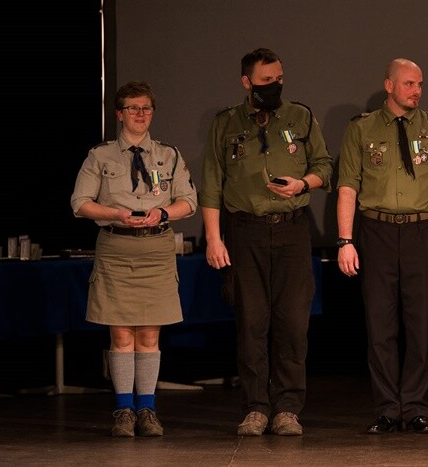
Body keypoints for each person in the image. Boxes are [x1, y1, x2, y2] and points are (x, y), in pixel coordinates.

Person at [200, 47, 333, 437]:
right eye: (265, 81)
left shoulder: (300, 115)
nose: (274, 86)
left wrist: (303, 183)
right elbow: (211, 183)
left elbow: (324, 165)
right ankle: (256, 407)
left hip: (292, 229)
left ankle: (288, 408)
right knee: (251, 322)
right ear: (247, 82)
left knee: (293, 321)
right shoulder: (225, 123)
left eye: (278, 79)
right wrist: (212, 238)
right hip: (246, 231)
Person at [335, 58, 428, 435]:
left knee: (421, 323)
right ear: (388, 85)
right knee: (380, 325)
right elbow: (348, 187)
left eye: (420, 84)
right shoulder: (361, 128)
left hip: (421, 233)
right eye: (408, 84)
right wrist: (345, 240)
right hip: (375, 231)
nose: (416, 91)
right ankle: (388, 409)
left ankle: (417, 408)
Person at [70, 81, 198, 438]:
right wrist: (114, 213)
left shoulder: (168, 154)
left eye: (146, 108)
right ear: (119, 113)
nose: (140, 115)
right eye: (132, 108)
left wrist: (163, 214)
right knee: (122, 333)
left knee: (150, 334)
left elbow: (189, 201)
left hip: (155, 248)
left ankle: (148, 409)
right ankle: (124, 410)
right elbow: (80, 203)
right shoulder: (101, 155)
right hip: (117, 246)